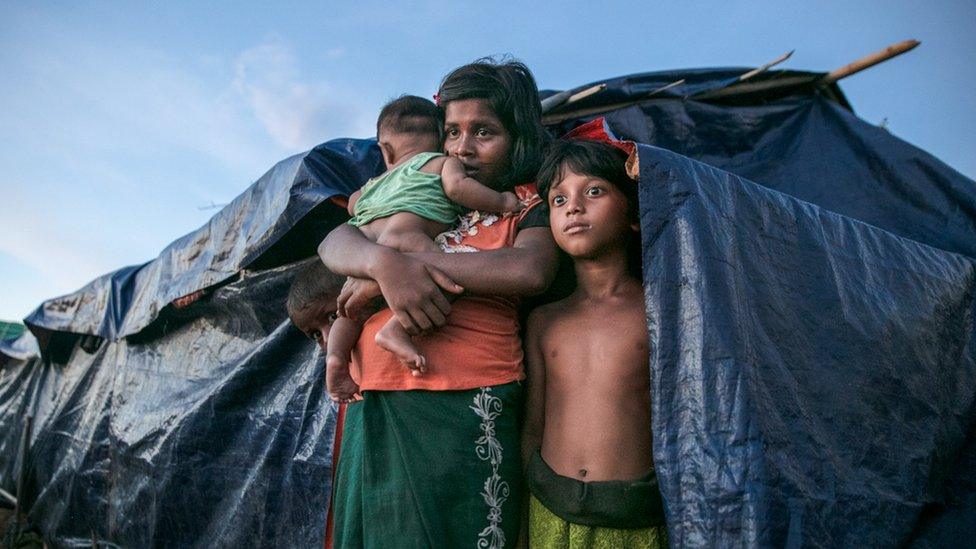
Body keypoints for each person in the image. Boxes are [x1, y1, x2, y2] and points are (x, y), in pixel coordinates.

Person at [318, 58, 556, 548]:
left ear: (519, 138)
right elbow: (334, 242)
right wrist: (384, 266)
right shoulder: (425, 190)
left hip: (463, 399)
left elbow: (528, 270)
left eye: (484, 132)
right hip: (373, 395)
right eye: (451, 132)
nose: (462, 148)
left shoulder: (527, 203)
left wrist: (404, 272)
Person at [326, 95, 524, 403]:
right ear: (440, 139)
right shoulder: (442, 162)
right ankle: (397, 330)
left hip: (370, 245)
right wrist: (501, 202)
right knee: (448, 278)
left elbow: (353, 210)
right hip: (410, 240)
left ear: (385, 150)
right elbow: (459, 188)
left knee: (349, 308)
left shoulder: (367, 188)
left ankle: (336, 358)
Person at [521, 140, 667, 548]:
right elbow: (532, 428)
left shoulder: (660, 311)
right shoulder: (544, 321)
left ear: (634, 215)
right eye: (558, 199)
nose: (574, 207)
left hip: (633, 522)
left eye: (594, 191)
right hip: (548, 511)